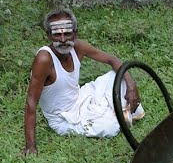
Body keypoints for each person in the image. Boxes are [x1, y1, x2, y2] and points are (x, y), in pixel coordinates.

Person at [22, 8, 145, 155]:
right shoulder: (44, 59)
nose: (62, 40)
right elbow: (31, 102)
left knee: (118, 74)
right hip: (63, 117)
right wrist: (30, 146)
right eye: (57, 35)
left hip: (80, 97)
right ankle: (120, 113)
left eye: (67, 34)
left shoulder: (78, 46)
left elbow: (113, 60)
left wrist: (132, 87)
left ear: (75, 34)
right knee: (109, 127)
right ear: (48, 36)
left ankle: (119, 113)